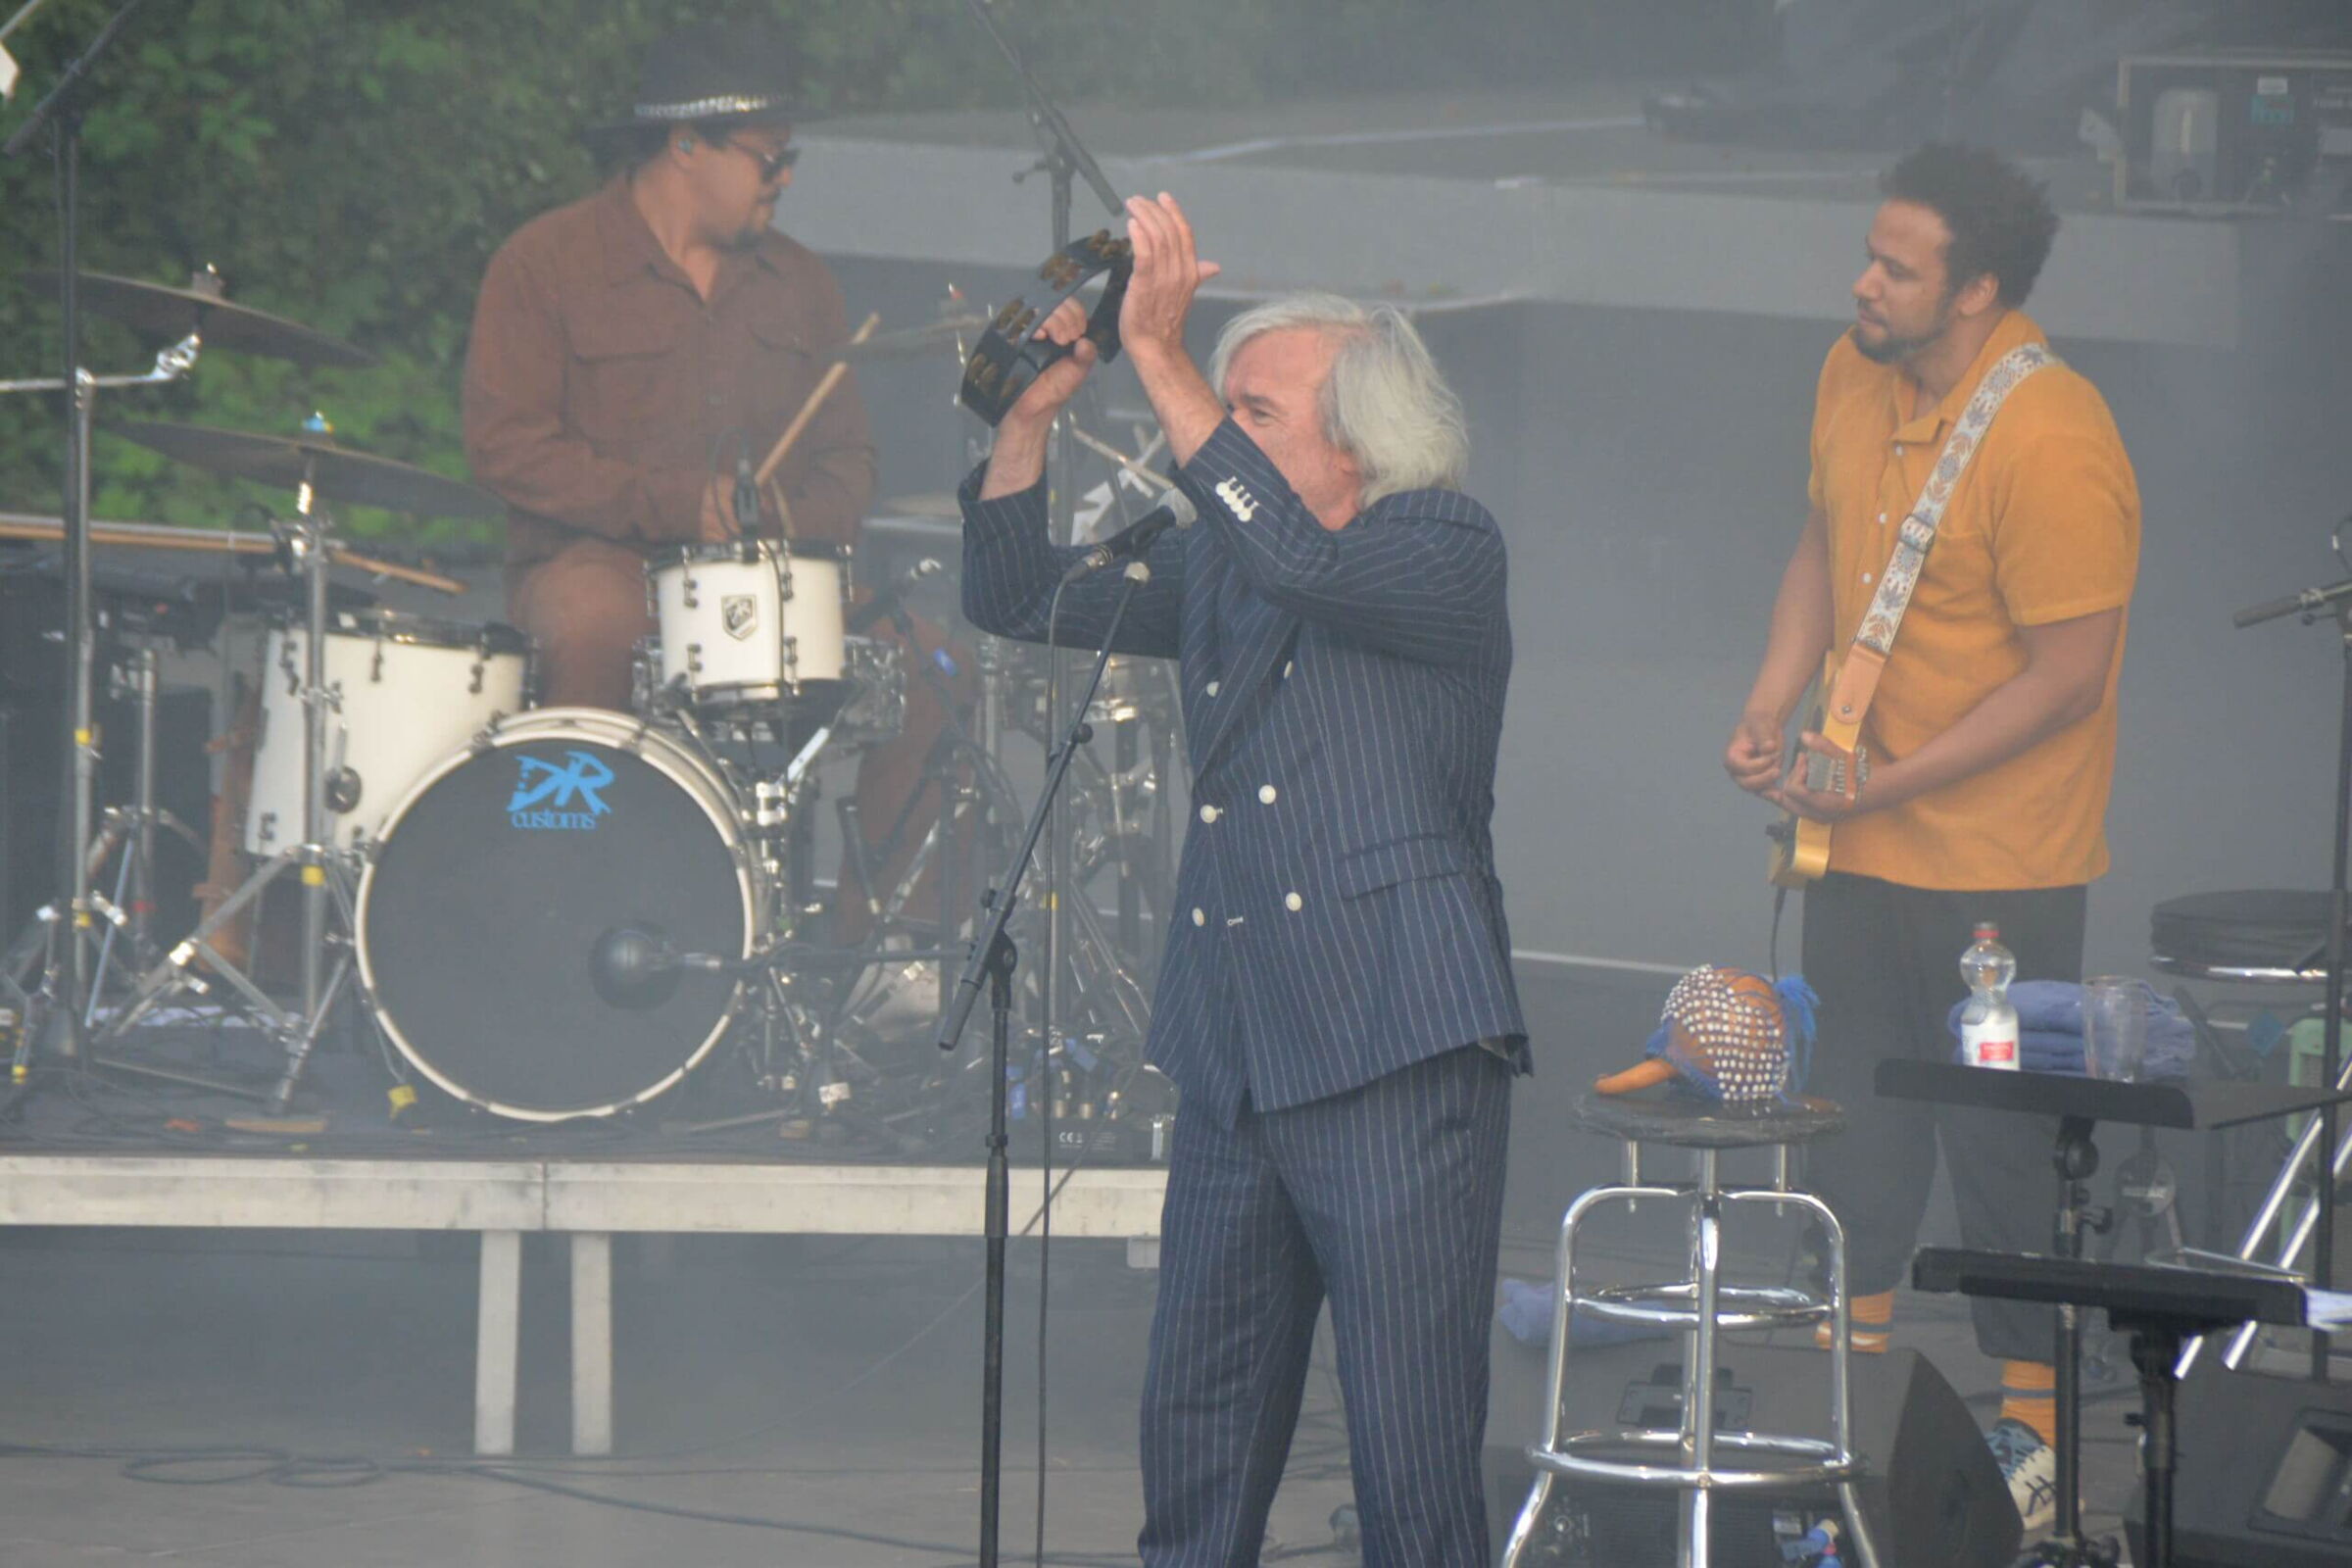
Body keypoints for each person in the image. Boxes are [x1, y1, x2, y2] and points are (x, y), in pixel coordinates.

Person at [960, 192, 1528, 1568]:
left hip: (1392, 1040)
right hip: (1236, 1054)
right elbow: (1023, 598)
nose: (1214, 434)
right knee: (1198, 1433)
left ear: (1360, 442)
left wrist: (1161, 354)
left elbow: (1307, 565)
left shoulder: (1442, 541)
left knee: (1409, 1453)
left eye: (1254, 413)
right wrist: (1024, 426)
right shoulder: (1225, 562)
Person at [1724, 143, 2139, 1533]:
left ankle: (2035, 1446)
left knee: (2005, 1157)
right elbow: (1820, 541)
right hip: (1860, 849)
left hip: (2000, 871)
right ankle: (1841, 1411)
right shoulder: (1854, 373)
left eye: (1897, 269)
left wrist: (1893, 785)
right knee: (1854, 1130)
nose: (1864, 283)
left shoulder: (2053, 431)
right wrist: (1771, 700)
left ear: (1977, 291)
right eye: (1870, 254)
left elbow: (2070, 677)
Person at [462, 20, 968, 932]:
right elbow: (505, 444)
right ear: (686, 143)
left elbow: (849, 457)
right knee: (596, 627)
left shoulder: (801, 282)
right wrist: (669, 504)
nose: (784, 178)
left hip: (773, 582)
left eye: (788, 158)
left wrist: (788, 522)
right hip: (600, 565)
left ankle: (878, 947)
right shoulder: (545, 263)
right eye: (770, 158)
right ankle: (572, 918)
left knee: (939, 666)